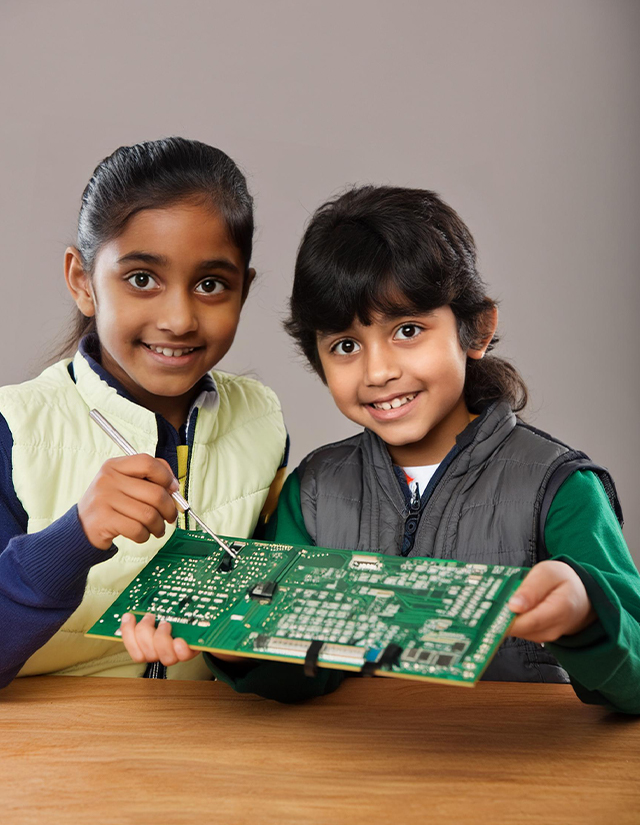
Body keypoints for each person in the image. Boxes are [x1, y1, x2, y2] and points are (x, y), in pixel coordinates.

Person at [190, 185, 639, 711]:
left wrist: (586, 614)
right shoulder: (313, 491)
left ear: (476, 330)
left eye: (407, 330)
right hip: (357, 756)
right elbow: (292, 675)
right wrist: (237, 649)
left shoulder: (558, 487)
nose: (379, 371)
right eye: (346, 345)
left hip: (513, 757)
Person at [0, 137, 287, 688]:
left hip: (205, 730)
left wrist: (234, 639)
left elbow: (266, 628)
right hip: (50, 735)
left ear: (243, 290)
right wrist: (76, 536)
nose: (178, 319)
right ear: (83, 281)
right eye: (141, 279)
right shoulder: (14, 428)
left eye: (210, 284)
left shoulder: (261, 419)